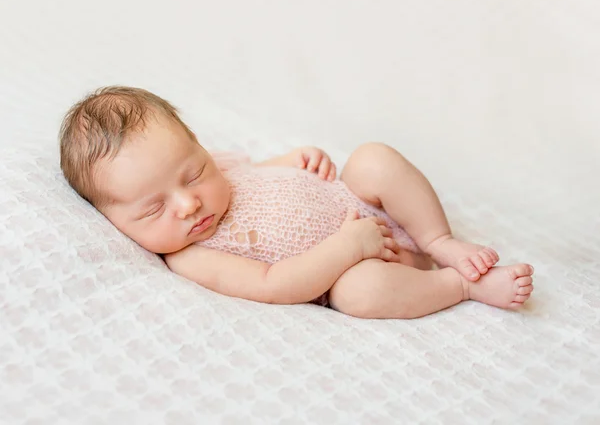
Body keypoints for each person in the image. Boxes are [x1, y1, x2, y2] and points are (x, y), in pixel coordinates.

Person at [59, 86, 534, 319]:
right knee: (358, 295)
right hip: (363, 265)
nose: (188, 203)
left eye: (194, 172)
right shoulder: (190, 257)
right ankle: (464, 286)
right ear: (111, 220)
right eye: (152, 209)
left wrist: (291, 160)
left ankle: (438, 239)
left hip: (363, 203)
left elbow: (255, 174)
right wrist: (350, 247)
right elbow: (273, 283)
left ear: (200, 148)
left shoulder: (219, 169)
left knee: (371, 159)